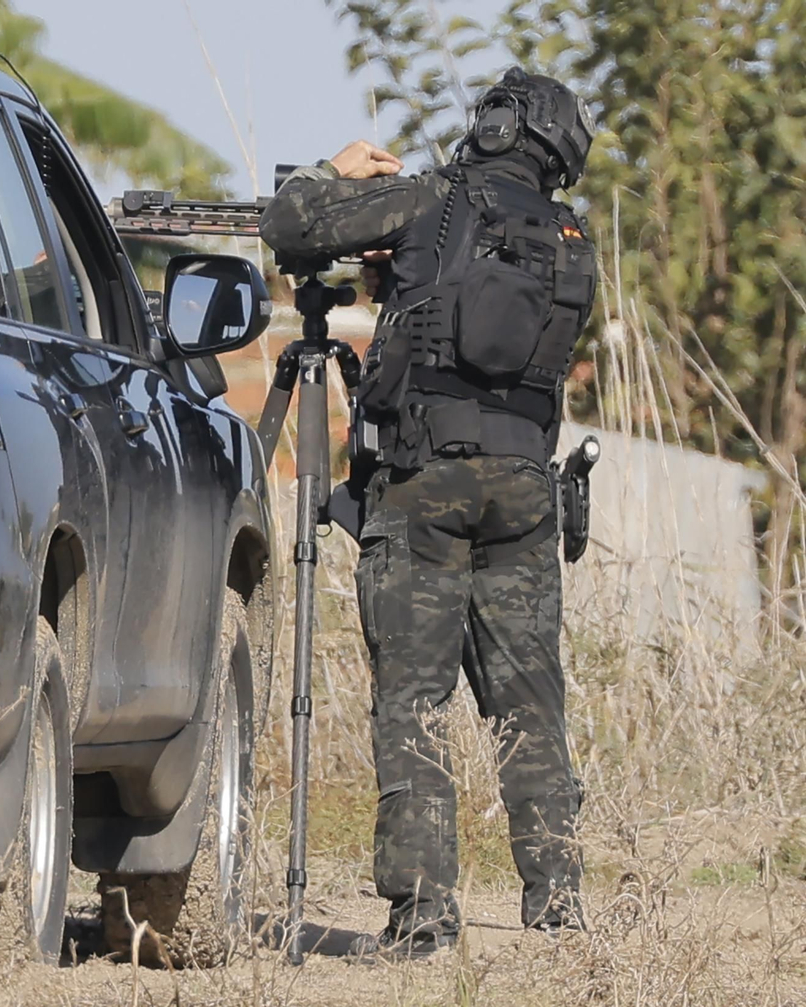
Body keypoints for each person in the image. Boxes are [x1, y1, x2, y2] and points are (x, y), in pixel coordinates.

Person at [260, 68, 598, 960]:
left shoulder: (426, 201)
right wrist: (405, 292)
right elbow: (486, 334)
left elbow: (290, 227)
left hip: (423, 483)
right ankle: (557, 896)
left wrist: (326, 172)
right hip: (526, 487)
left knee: (412, 701)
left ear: (489, 127)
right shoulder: (572, 241)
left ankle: (424, 913)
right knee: (529, 698)